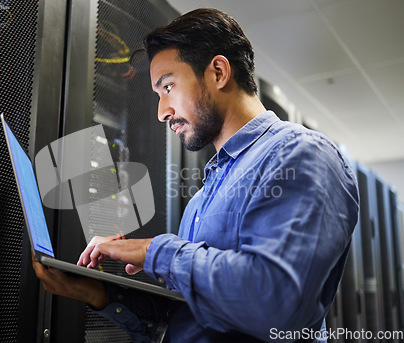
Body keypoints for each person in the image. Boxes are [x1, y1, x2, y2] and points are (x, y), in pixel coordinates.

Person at [33, 8, 359, 342]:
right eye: (158, 95)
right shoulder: (202, 199)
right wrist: (99, 295)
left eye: (169, 87)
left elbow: (277, 305)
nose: (162, 112)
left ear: (218, 72)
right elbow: (192, 321)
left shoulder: (302, 155)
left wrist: (154, 252)